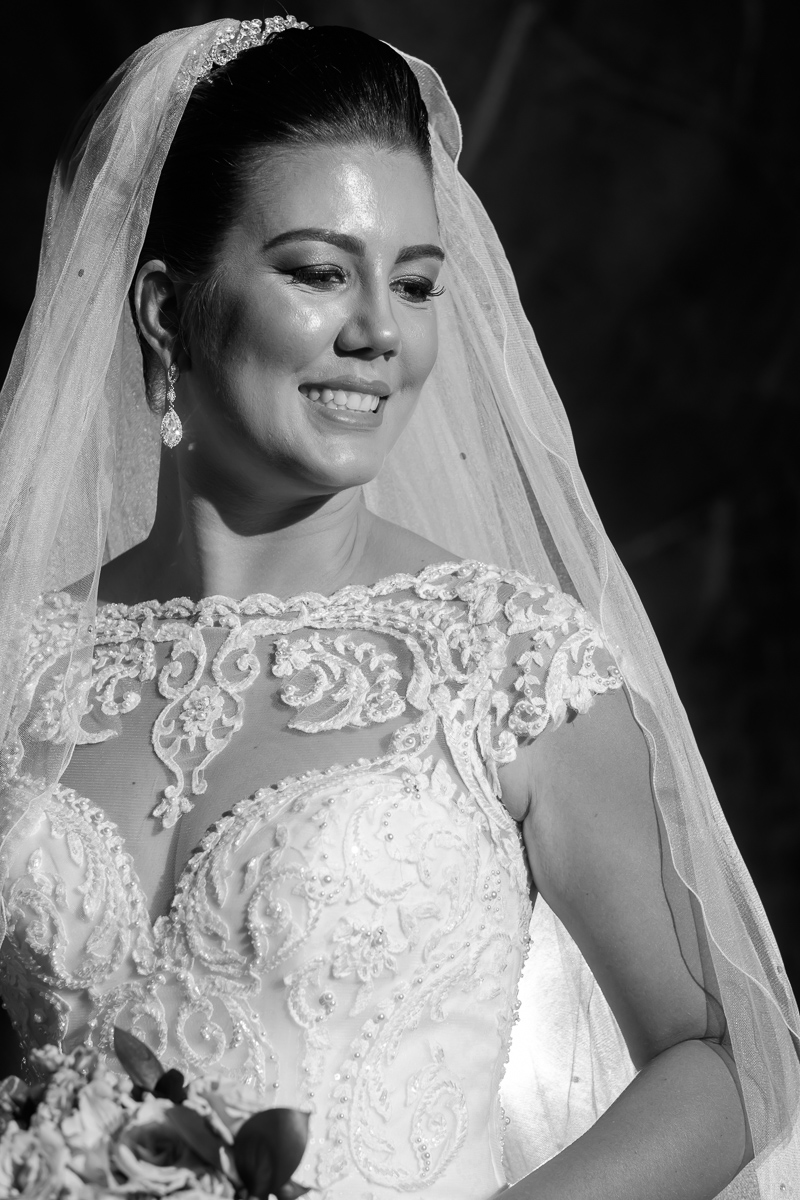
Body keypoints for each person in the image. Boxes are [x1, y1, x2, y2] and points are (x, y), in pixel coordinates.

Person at [0, 16, 796, 1199]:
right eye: (321, 272)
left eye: (413, 283)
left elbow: (730, 1059)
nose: (379, 333)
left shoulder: (508, 664)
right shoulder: (21, 661)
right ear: (166, 311)